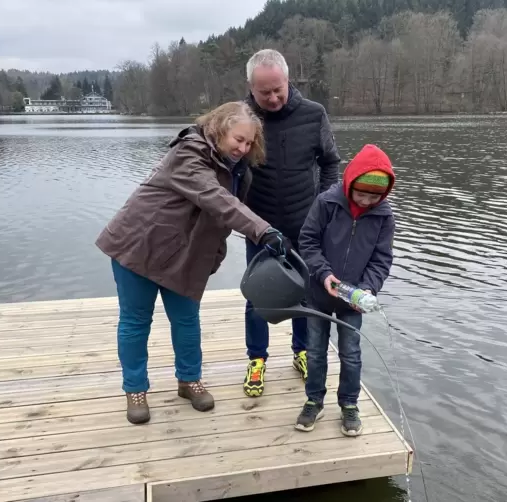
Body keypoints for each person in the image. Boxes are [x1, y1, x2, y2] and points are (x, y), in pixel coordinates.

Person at [95, 101, 293, 425]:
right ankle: (135, 389)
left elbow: (222, 221)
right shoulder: (189, 153)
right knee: (135, 322)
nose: (242, 148)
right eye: (238, 139)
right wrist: (263, 229)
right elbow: (216, 199)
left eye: (248, 142)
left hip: (183, 256)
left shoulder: (239, 172)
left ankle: (189, 380)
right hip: (138, 246)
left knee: (187, 322)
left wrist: (214, 258)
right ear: (219, 129)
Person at [242, 48, 341, 398]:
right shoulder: (242, 119)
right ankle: (256, 360)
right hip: (259, 225)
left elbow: (331, 162)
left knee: (304, 291)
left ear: (288, 81)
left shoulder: (314, 114)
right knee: (259, 296)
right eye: (263, 92)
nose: (272, 98)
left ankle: (300, 351)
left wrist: (323, 207)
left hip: (305, 223)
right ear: (251, 88)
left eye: (278, 89)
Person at [295, 144, 396, 437]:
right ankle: (314, 399)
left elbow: (382, 259)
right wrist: (324, 274)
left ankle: (349, 404)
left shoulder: (383, 217)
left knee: (351, 354)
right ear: (350, 184)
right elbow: (308, 241)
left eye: (374, 197)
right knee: (315, 352)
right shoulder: (326, 203)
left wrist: (367, 289)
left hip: (352, 301)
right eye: (361, 193)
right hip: (317, 293)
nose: (366, 201)